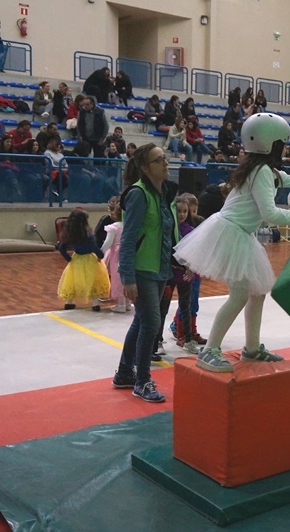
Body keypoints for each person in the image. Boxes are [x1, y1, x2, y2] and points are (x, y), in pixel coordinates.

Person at [173, 113, 290, 372]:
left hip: (239, 235)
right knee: (239, 296)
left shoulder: (261, 169)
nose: (285, 147)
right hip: (232, 234)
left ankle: (251, 348)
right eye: (282, 143)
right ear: (272, 144)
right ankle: (209, 350)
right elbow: (270, 214)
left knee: (257, 293)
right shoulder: (260, 172)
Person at [111, 143, 179, 403]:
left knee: (142, 321)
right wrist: (127, 277)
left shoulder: (164, 194)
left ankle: (125, 373)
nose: (165, 163)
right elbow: (127, 240)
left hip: (160, 267)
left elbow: (167, 232)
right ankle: (142, 382)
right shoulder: (139, 194)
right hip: (142, 269)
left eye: (165, 158)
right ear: (144, 167)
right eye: (159, 159)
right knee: (151, 322)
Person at [154, 195, 199, 357]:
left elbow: (194, 252)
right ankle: (157, 340)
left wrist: (190, 267)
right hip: (169, 274)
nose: (182, 215)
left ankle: (187, 340)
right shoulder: (168, 231)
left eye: (185, 211)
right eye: (179, 211)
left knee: (185, 307)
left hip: (185, 276)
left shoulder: (191, 231)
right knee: (162, 308)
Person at [57, 209, 111, 311]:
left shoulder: (69, 232)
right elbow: (93, 246)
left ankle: (69, 302)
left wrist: (68, 258)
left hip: (77, 259)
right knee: (94, 280)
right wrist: (100, 255)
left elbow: (61, 247)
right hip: (90, 259)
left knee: (73, 280)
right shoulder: (88, 232)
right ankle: (95, 304)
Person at [99, 200, 129, 313]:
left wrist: (100, 252)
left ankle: (121, 304)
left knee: (117, 278)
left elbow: (108, 243)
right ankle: (128, 303)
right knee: (126, 277)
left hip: (116, 255)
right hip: (127, 252)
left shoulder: (113, 227)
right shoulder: (128, 226)